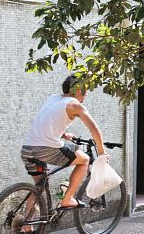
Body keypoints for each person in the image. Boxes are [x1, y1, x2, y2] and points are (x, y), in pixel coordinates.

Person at [21, 75, 107, 212]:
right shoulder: (75, 105)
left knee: (39, 186)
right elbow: (94, 128)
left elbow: (47, 122)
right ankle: (68, 199)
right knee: (84, 160)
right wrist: (102, 153)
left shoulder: (53, 98)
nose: (86, 94)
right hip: (46, 149)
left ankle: (26, 225)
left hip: (27, 149)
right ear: (78, 89)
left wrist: (62, 135)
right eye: (86, 90)